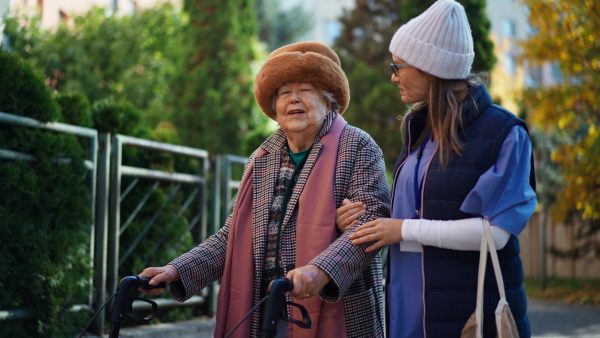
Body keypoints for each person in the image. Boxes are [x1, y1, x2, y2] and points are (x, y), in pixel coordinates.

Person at [139, 41, 390, 338]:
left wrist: (320, 271)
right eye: (284, 93)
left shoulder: (358, 145)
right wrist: (176, 270)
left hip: (336, 309)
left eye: (305, 90)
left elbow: (370, 222)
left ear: (329, 100)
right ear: (274, 107)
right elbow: (232, 238)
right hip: (266, 311)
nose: (293, 99)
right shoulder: (262, 158)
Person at [336, 0, 537, 337]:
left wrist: (402, 230)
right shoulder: (419, 129)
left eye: (398, 65)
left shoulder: (505, 133)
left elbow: (497, 234)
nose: (392, 75)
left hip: (467, 318)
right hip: (408, 313)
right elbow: (412, 212)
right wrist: (361, 220)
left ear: (430, 67)